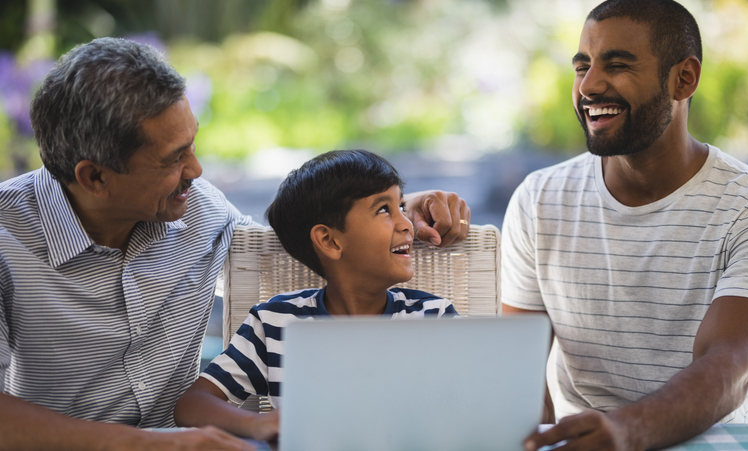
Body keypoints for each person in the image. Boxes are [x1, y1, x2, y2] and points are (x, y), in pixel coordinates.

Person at [0, 38, 470, 450]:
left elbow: (304, 236)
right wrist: (144, 446)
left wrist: (398, 209)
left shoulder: (200, 209)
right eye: (173, 158)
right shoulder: (6, 236)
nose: (197, 171)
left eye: (192, 145)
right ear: (95, 176)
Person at [501, 1, 748, 450]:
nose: (590, 85)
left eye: (617, 65)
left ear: (684, 79)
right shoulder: (538, 199)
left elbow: (728, 365)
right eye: (582, 67)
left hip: (713, 442)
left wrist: (629, 430)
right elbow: (519, 370)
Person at [173, 149, 457, 443]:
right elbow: (192, 405)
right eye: (384, 209)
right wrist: (258, 424)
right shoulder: (275, 323)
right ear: (329, 241)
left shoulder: (433, 317)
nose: (406, 223)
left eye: (400, 205)